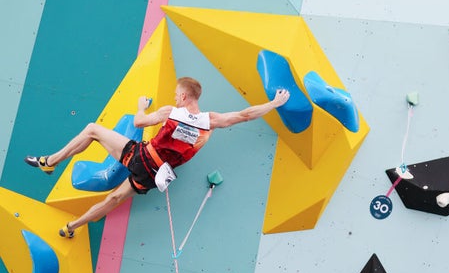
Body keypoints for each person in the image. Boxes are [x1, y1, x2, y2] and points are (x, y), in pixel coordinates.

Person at [25, 76, 290, 238]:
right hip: (152, 176)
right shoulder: (210, 122)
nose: (175, 97)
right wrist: (274, 104)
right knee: (113, 199)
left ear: (184, 96)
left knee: (93, 129)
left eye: (177, 94)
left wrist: (142, 105)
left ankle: (50, 162)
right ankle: (72, 226)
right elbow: (244, 115)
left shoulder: (169, 112)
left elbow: (139, 123)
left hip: (140, 157)